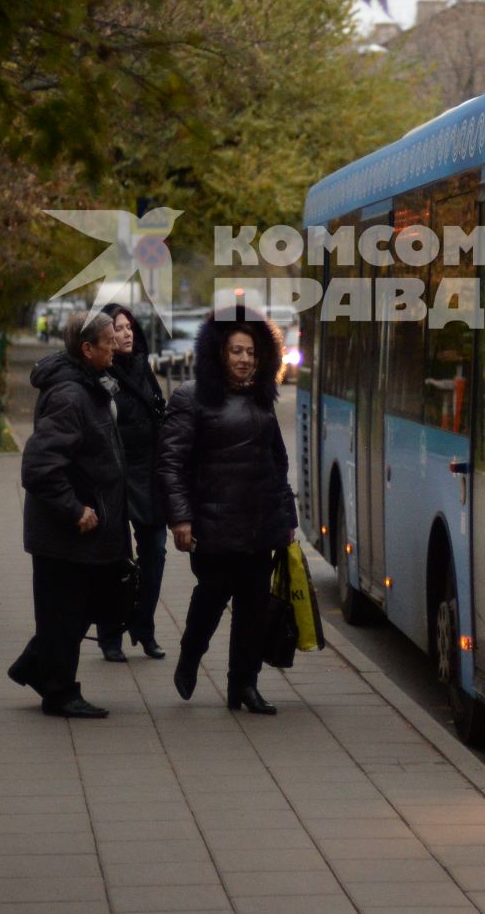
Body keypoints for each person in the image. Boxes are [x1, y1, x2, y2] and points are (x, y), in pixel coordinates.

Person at [156, 306, 296, 716]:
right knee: (212, 597)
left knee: (253, 608)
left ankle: (244, 686)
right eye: (236, 351)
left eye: (251, 352)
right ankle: (190, 654)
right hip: (212, 525)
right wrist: (180, 518)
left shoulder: (262, 399)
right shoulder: (190, 398)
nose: (244, 359)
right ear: (219, 353)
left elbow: (278, 465)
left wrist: (287, 520)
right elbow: (170, 464)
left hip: (258, 525)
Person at [7, 308, 131, 719]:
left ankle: (34, 666)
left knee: (83, 609)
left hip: (89, 530)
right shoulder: (70, 395)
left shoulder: (89, 384)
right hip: (66, 533)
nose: (115, 346)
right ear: (87, 348)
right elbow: (39, 467)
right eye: (108, 341)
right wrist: (74, 508)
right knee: (65, 614)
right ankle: (59, 693)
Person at [97, 303, 168, 662]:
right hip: (113, 478)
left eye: (128, 327)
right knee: (114, 559)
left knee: (155, 551)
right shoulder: (99, 375)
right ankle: (110, 635)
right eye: (116, 328)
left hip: (149, 474)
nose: (125, 334)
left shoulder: (143, 367)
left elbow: (160, 414)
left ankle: (144, 624)